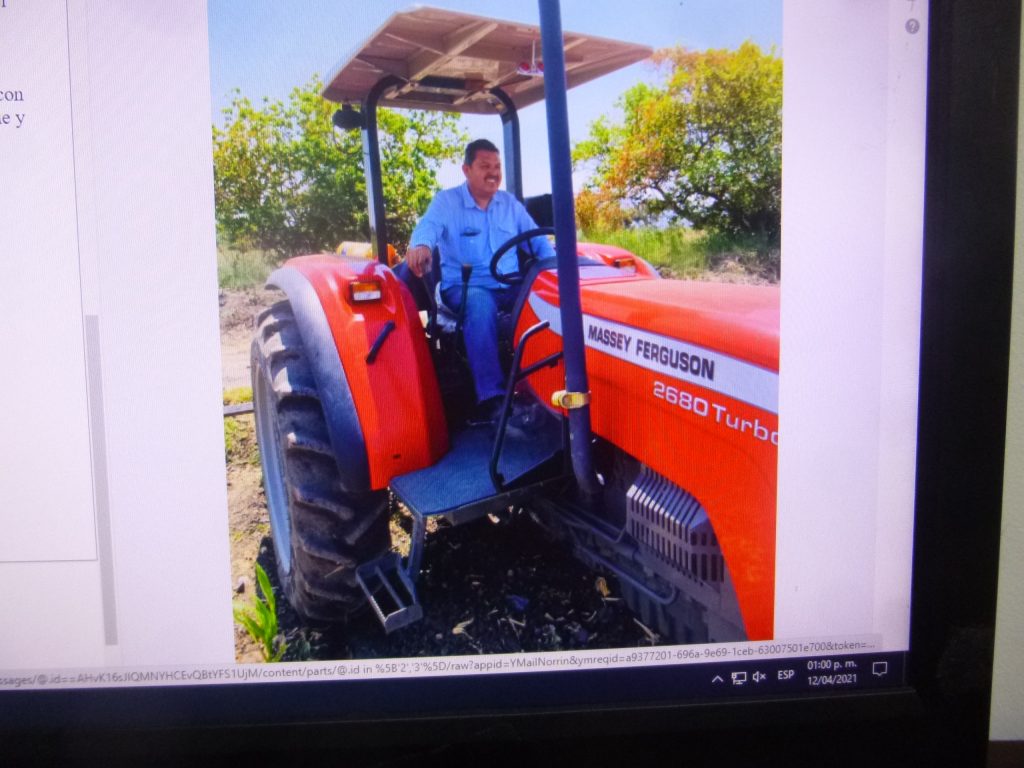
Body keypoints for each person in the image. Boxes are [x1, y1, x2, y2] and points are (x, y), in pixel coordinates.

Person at [405, 139, 554, 424]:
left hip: (508, 285)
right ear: (466, 169)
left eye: (497, 166)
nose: (493, 173)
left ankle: (543, 386)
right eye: (485, 166)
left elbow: (537, 241)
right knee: (481, 303)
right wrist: (421, 245)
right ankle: (492, 399)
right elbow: (428, 227)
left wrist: (555, 269)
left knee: (546, 299)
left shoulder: (509, 205)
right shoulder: (447, 202)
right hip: (463, 288)